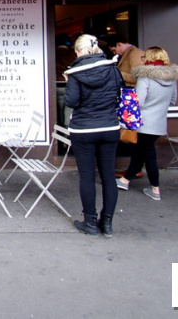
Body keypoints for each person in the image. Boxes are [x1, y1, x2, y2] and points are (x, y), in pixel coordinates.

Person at [64, 34, 122, 238]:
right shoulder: (112, 68)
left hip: (84, 129)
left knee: (87, 176)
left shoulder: (76, 73)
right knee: (108, 176)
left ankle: (90, 222)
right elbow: (118, 94)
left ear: (79, 51)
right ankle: (107, 223)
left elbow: (71, 102)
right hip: (110, 126)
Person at [116, 46, 178, 200]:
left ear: (149, 58)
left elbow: (139, 102)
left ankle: (155, 188)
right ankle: (125, 180)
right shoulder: (171, 78)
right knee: (139, 153)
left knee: (148, 155)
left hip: (143, 123)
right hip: (159, 123)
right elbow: (172, 101)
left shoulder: (145, 77)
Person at [55, 33, 77, 127]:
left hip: (55, 85)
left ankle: (59, 129)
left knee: (58, 111)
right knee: (68, 111)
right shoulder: (73, 55)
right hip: (69, 85)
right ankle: (66, 131)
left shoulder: (51, 54)